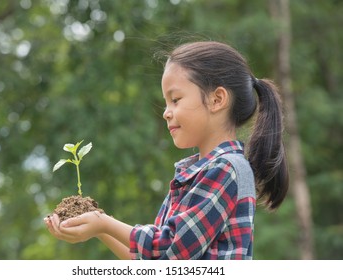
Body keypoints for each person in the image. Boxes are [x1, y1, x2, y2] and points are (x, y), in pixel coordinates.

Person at [44, 41, 289, 260]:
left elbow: (171, 248)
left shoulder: (227, 169)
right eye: (166, 102)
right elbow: (153, 263)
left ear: (217, 100)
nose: (166, 112)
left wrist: (105, 224)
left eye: (176, 99)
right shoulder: (197, 172)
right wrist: (97, 226)